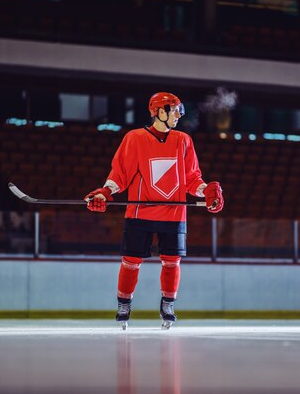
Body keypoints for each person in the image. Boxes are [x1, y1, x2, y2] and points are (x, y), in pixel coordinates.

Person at [84, 92, 224, 330]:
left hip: (174, 214)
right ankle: (124, 303)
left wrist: (206, 191)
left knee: (172, 262)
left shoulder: (183, 140)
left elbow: (192, 178)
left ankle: (168, 304)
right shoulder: (135, 138)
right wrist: (104, 193)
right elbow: (120, 175)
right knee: (131, 261)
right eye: (175, 110)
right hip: (140, 213)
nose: (179, 115)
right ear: (160, 112)